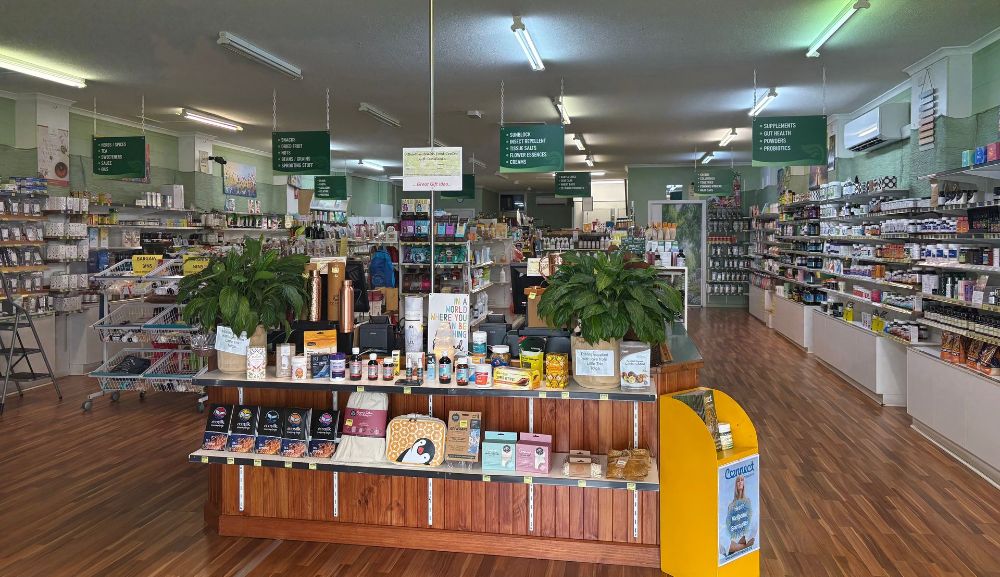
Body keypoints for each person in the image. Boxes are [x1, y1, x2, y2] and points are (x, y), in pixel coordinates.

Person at [724, 475, 755, 556]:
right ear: (736, 484)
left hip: (744, 533)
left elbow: (749, 520)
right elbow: (729, 525)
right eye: (738, 481)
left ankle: (737, 547)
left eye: (742, 480)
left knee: (751, 535)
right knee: (727, 542)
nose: (740, 482)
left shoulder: (747, 501)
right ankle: (743, 547)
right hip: (734, 535)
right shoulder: (731, 505)